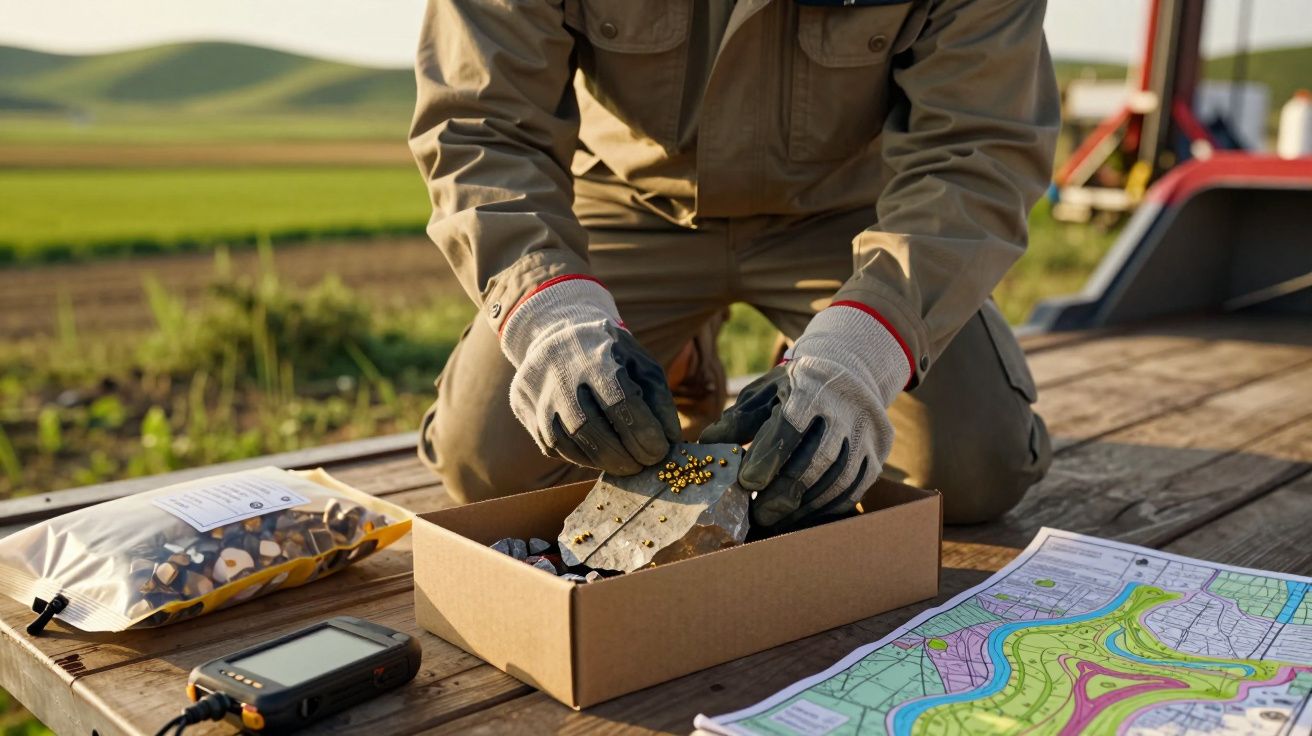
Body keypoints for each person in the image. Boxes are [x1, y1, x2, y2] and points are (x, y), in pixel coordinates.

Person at [409, 0, 1060, 528]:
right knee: (487, 467)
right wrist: (547, 313)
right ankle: (680, 354)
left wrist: (865, 343)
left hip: (849, 222)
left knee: (975, 469)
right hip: (631, 205)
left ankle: (815, 342)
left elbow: (978, 151)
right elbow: (481, 124)